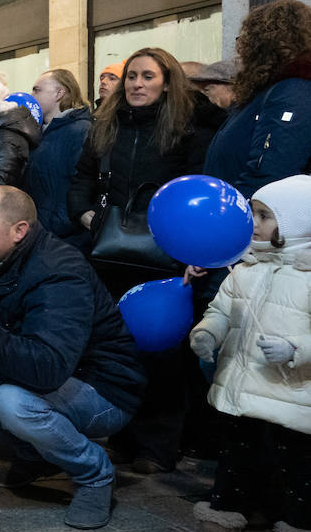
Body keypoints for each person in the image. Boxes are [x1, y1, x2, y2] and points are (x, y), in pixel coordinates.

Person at [0, 187, 146, 529]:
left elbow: (46, 369)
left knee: (12, 402)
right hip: (48, 374)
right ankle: (39, 455)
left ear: (19, 231)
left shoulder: (59, 270)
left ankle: (95, 475)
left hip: (104, 389)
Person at [68, 47, 216, 472]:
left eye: (147, 77)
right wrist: (86, 214)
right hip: (109, 255)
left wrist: (194, 250)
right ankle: (124, 435)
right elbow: (81, 178)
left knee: (162, 352)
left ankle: (157, 445)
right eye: (132, 76)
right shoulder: (106, 126)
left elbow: (200, 190)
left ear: (167, 82)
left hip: (166, 258)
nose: (136, 84)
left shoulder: (189, 131)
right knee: (116, 349)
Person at [181, 175, 311, 532]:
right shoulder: (245, 269)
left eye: (265, 216)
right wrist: (207, 332)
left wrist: (296, 348)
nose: (253, 223)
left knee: (299, 471)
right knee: (234, 461)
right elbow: (223, 310)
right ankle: (219, 526)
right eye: (253, 213)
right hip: (241, 389)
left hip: (291, 395)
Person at [204, 0, 311, 198]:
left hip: (250, 221)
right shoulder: (267, 91)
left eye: (246, 40)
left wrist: (231, 211)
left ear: (262, 44)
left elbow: (270, 171)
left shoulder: (292, 89)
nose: (240, 50)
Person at [26, 68, 92, 248]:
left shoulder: (81, 130)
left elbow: (80, 182)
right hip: (41, 232)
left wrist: (61, 225)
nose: (31, 95)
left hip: (66, 237)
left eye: (37, 90)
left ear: (59, 93)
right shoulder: (39, 131)